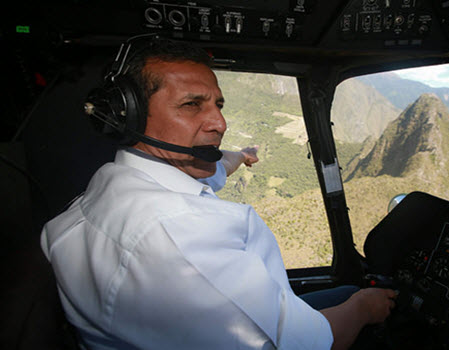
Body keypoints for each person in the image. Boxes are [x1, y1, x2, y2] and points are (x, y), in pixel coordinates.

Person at [41, 37, 397, 350]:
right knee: (360, 301)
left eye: (218, 105)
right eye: (192, 105)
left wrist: (240, 156)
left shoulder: (108, 190)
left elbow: (214, 168)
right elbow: (315, 345)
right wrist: (366, 308)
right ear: (128, 116)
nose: (219, 123)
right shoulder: (181, 238)